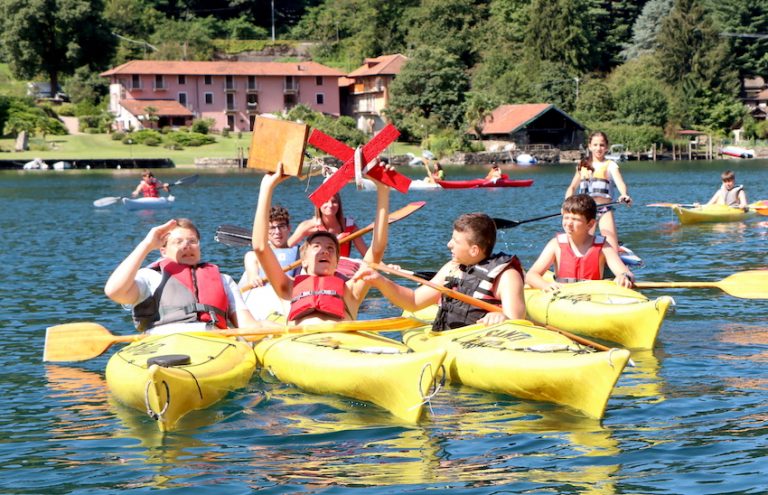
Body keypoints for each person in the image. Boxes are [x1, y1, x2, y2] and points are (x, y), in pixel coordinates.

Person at [252, 161, 391, 326]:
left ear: (337, 262)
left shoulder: (351, 290)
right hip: (302, 340)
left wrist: (383, 190)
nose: (324, 251)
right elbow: (260, 247)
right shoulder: (288, 287)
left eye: (331, 248)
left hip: (339, 340)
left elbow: (376, 250)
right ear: (303, 260)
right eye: (316, 246)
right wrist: (267, 187)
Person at [358, 212, 526, 330]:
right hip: (450, 338)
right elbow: (413, 301)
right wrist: (380, 281)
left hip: (484, 342)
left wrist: (503, 317)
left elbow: (518, 321)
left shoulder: (507, 276)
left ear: (474, 250)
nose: (448, 244)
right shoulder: (452, 268)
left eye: (455, 241)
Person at [104, 218, 259, 333]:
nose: (186, 246)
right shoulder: (149, 277)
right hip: (162, 344)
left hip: (213, 345)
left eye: (192, 241)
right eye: (178, 242)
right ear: (163, 251)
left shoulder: (223, 280)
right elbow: (114, 291)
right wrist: (147, 245)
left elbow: (247, 326)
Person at [525, 194, 634, 292]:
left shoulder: (603, 247)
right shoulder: (555, 245)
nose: (568, 223)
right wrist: (545, 285)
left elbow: (627, 273)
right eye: (566, 217)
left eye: (575, 219)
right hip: (562, 295)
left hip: (593, 295)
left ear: (590, 224)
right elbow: (531, 275)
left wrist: (624, 277)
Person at [565, 131, 631, 250]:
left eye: (601, 145)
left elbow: (620, 183)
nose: (598, 148)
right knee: (582, 245)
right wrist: (566, 205)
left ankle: (614, 250)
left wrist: (624, 194)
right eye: (595, 145)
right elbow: (572, 188)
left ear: (606, 147)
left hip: (604, 209)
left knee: (612, 247)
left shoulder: (611, 165)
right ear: (590, 146)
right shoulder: (582, 165)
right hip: (585, 211)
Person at [288, 193, 367, 258]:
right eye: (325, 201)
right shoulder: (309, 226)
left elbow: (366, 254)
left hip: (342, 269)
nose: (330, 205)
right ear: (319, 204)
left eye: (334, 201)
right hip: (318, 269)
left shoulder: (349, 226)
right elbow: (286, 248)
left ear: (339, 204)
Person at [241, 205, 300, 289]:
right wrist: (254, 279)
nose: (277, 232)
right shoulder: (253, 256)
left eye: (282, 226)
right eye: (272, 228)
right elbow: (252, 277)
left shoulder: (302, 252)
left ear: (289, 228)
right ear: (265, 231)